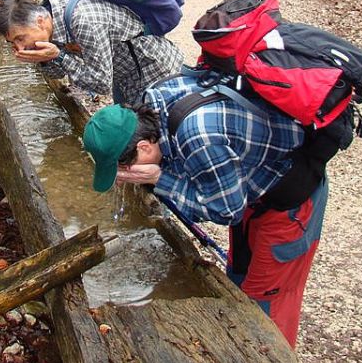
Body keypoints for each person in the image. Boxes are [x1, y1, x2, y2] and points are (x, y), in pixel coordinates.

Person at [81, 73, 328, 348]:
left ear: (143, 146)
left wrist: (159, 179)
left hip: (288, 197)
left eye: (124, 167)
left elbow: (225, 212)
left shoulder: (198, 138)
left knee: (266, 295)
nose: (124, 174)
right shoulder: (153, 102)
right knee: (240, 273)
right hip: (246, 185)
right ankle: (239, 342)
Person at [0, 0, 184, 106]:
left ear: (40, 22)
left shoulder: (82, 21)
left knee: (157, 139)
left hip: (153, 70)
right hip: (121, 77)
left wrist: (59, 56)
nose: (19, 48)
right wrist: (42, 59)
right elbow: (58, 72)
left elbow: (101, 85)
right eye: (13, 44)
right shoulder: (49, 21)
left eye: (20, 38)